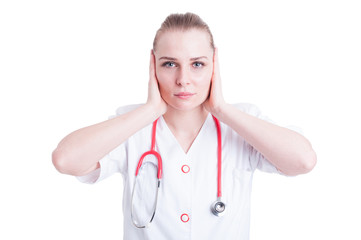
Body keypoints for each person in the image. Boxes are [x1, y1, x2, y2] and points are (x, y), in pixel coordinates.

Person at [52, 12, 317, 240]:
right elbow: (65, 160)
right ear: (152, 65)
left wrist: (222, 109)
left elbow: (303, 161)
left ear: (215, 63)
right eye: (169, 64)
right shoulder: (132, 125)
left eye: (197, 64)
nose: (183, 79)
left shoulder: (242, 121)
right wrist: (150, 110)